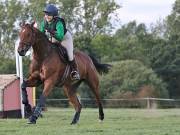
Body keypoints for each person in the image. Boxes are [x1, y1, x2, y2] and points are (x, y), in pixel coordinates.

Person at [39, 4, 80, 80]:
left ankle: (75, 71)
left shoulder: (59, 22)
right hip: (53, 37)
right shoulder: (44, 23)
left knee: (70, 55)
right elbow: (41, 34)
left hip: (65, 38)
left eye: (49, 14)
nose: (47, 16)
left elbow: (60, 37)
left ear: (54, 16)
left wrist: (52, 32)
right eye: (46, 14)